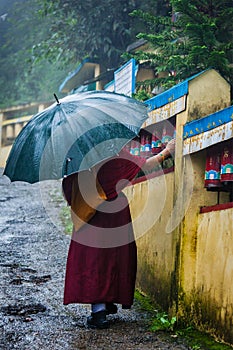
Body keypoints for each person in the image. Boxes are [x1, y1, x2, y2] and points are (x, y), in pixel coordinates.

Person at [62, 138, 175, 329]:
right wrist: (167, 151)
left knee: (94, 259)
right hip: (112, 214)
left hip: (88, 210)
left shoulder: (75, 154)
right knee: (112, 259)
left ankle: (101, 306)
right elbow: (144, 166)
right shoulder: (109, 149)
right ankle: (100, 311)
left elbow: (69, 185)